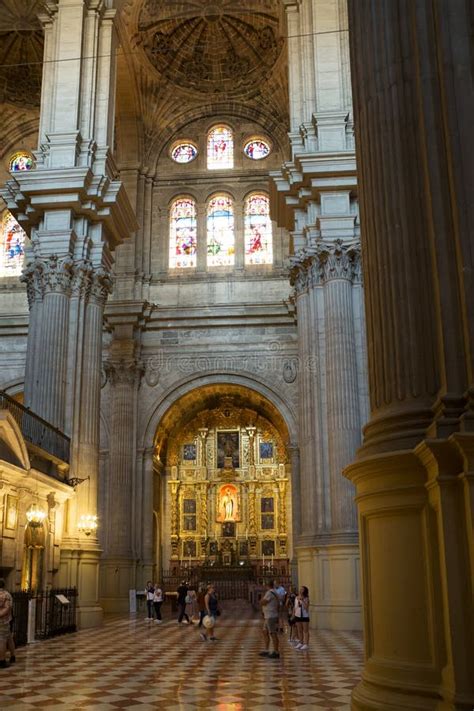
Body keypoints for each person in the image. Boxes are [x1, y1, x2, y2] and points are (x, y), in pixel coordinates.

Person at [259, 579, 281, 659]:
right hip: (268, 615)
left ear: (267, 585)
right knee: (265, 632)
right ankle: (266, 649)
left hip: (270, 616)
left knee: (272, 633)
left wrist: (261, 600)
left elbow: (262, 602)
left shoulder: (269, 593)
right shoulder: (274, 592)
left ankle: (276, 651)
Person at [0, 578, 15, 668]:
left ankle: (2, 659)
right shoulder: (7, 595)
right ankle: (3, 659)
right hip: (5, 620)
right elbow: (8, 608)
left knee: (5, 638)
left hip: (3, 620)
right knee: (4, 639)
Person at [293, 586, 310, 651]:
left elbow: (306, 607)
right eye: (300, 589)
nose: (300, 590)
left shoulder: (306, 598)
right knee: (299, 630)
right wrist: (293, 615)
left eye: (302, 589)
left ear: (305, 591)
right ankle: (301, 642)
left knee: (305, 630)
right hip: (297, 615)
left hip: (305, 616)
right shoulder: (296, 598)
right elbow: (295, 607)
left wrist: (302, 600)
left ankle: (306, 644)